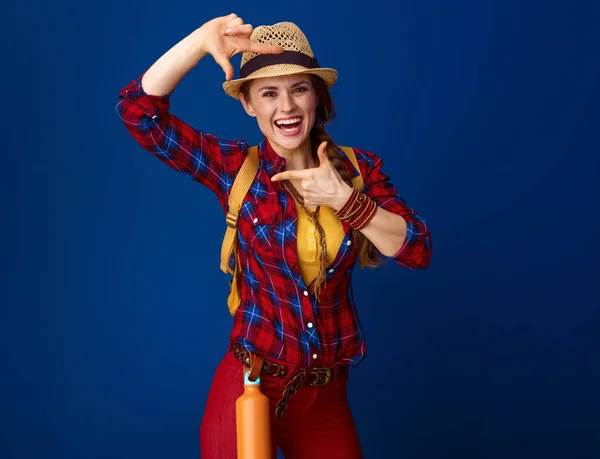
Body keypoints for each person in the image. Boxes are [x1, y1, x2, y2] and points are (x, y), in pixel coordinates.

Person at [115, 13, 432, 459]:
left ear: (316, 98)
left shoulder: (360, 171)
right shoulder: (236, 170)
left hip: (325, 399)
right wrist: (202, 41)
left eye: (299, 89)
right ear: (248, 104)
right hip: (249, 387)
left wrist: (345, 200)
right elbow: (137, 112)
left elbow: (418, 249)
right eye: (269, 93)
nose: (286, 107)